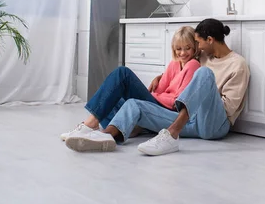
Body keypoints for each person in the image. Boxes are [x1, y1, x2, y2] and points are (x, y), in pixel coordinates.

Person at [65, 18, 250, 156]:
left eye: (198, 43)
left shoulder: (237, 64)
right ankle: (106, 136)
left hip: (214, 124)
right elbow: (181, 67)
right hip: (189, 120)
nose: (197, 48)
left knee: (204, 74)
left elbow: (228, 109)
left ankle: (171, 136)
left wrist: (204, 92)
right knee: (132, 104)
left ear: (210, 40)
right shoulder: (205, 56)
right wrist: (160, 77)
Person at [60, 26, 201, 148]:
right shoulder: (174, 64)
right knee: (110, 98)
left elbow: (178, 100)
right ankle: (131, 127)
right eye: (178, 49)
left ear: (195, 47)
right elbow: (158, 90)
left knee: (123, 73)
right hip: (157, 102)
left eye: (187, 48)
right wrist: (159, 82)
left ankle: (90, 125)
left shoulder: (193, 65)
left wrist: (155, 96)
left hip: (165, 110)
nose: (182, 53)